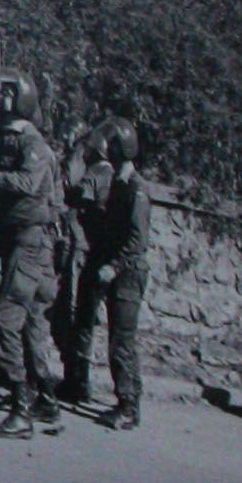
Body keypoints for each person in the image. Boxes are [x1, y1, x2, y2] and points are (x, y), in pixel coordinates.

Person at [0, 75, 71, 435]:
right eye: (3, 91)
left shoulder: (34, 144)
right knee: (31, 322)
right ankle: (48, 402)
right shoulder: (9, 136)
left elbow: (26, 183)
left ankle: (20, 409)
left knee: (7, 317)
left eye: (11, 92)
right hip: (16, 237)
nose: (4, 97)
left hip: (31, 240)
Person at [69, 116, 151, 428]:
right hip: (113, 268)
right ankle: (93, 389)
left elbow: (135, 240)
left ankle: (129, 406)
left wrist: (113, 267)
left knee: (122, 340)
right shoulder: (119, 184)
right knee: (100, 330)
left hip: (127, 273)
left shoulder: (136, 191)